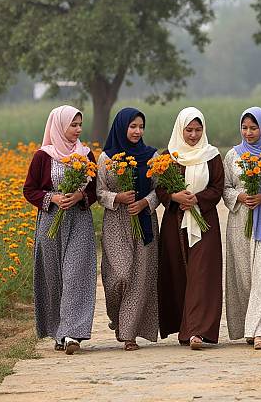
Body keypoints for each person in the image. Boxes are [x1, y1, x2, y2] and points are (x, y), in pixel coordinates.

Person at [23, 105, 97, 355]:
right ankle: (58, 331)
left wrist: (79, 196)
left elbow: (94, 190)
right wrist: (53, 199)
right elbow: (29, 189)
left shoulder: (86, 155)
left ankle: (73, 333)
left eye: (79, 125)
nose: (77, 130)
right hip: (51, 222)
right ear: (59, 125)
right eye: (73, 125)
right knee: (54, 278)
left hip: (79, 222)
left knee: (76, 275)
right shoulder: (43, 156)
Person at [157, 107, 224, 350]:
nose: (194, 135)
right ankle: (184, 328)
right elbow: (160, 189)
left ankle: (198, 331)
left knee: (202, 275)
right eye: (189, 130)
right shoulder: (168, 156)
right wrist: (175, 197)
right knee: (179, 273)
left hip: (205, 222)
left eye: (198, 130)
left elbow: (217, 187)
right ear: (180, 129)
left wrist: (197, 199)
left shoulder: (212, 156)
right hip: (175, 223)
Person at [223, 107, 261, 350]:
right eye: (245, 127)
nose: (248, 133)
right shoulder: (233, 156)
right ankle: (248, 327)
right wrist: (239, 197)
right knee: (244, 276)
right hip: (240, 222)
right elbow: (225, 188)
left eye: (254, 128)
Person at [96, 108, 159, 351]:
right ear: (121, 127)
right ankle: (117, 318)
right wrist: (118, 197)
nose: (137, 131)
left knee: (139, 278)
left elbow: (158, 190)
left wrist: (144, 203)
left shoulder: (151, 156)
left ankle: (129, 333)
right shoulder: (107, 158)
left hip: (143, 221)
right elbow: (99, 193)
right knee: (118, 276)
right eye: (132, 126)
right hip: (116, 223)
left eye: (141, 126)